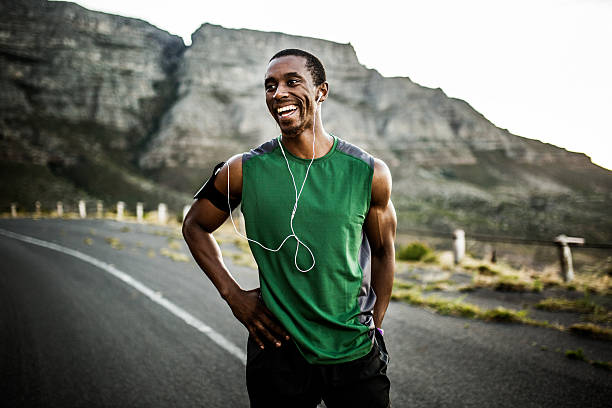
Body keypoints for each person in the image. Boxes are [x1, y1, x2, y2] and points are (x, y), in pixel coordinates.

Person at [182, 48, 397, 408]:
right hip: (277, 350)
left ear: (321, 91)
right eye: (269, 86)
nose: (277, 93)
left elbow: (384, 251)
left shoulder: (369, 172)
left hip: (354, 351)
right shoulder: (243, 170)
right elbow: (194, 225)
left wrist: (374, 324)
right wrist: (233, 296)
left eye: (291, 82)